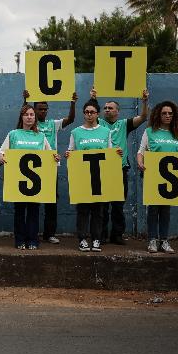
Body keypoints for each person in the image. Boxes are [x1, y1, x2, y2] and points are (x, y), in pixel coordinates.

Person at [90, 87, 149, 244]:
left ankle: (117, 235)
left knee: (117, 204)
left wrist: (144, 101)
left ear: (118, 111)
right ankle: (101, 235)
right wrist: (94, 98)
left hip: (119, 169)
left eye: (110, 108)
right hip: (102, 169)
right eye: (105, 108)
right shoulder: (98, 122)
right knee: (102, 204)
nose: (107, 110)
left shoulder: (124, 124)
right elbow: (91, 110)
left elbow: (143, 117)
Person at [0, 105, 58, 250]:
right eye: (26, 114)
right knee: (19, 211)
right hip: (18, 181)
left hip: (36, 182)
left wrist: (56, 157)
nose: (29, 117)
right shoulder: (13, 134)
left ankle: (32, 240)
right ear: (22, 117)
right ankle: (19, 240)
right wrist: (1, 158)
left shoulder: (41, 136)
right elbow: (1, 151)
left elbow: (50, 154)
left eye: (32, 114)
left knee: (33, 211)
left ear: (35, 117)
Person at [65, 100, 121, 253]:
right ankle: (82, 239)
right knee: (82, 210)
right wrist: (68, 155)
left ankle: (96, 239)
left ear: (97, 114)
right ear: (84, 114)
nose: (89, 114)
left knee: (98, 210)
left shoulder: (105, 132)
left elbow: (110, 151)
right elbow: (71, 151)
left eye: (92, 112)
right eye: (86, 112)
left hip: (100, 178)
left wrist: (117, 153)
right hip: (82, 178)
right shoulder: (75, 132)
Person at [23, 89, 77, 244]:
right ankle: (30, 233)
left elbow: (71, 119)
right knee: (30, 201)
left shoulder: (53, 124)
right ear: (34, 110)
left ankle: (49, 234)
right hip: (32, 166)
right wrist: (25, 102)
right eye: (40, 109)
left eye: (45, 109)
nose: (43, 111)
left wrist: (73, 103)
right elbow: (22, 117)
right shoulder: (30, 123)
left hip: (50, 166)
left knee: (51, 201)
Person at [137, 101, 178, 254]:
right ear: (159, 114)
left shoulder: (177, 133)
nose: (167, 116)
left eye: (170, 113)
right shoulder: (150, 131)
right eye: (164, 113)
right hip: (153, 175)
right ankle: (152, 240)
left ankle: (164, 240)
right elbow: (141, 151)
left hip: (171, 178)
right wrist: (140, 163)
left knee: (166, 210)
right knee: (153, 209)